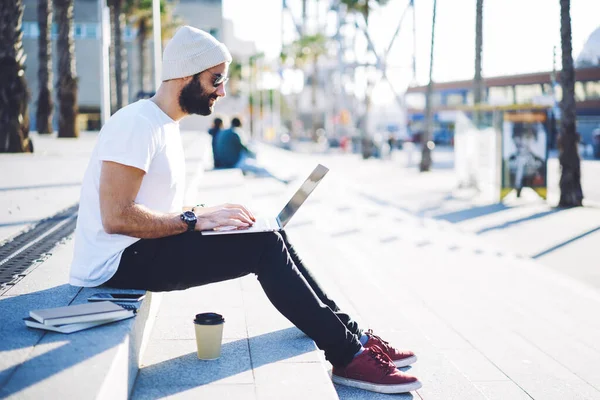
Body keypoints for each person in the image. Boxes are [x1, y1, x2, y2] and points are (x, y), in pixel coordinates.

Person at [69, 26, 421, 394]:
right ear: (185, 76)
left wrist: (208, 212)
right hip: (117, 262)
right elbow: (117, 217)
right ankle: (347, 356)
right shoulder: (136, 124)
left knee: (270, 232)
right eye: (215, 79)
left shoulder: (164, 125)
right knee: (263, 247)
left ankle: (352, 335)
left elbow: (155, 208)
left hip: (139, 248)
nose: (222, 91)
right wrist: (194, 221)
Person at [214, 117, 290, 184]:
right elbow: (245, 148)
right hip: (234, 162)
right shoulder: (236, 132)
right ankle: (282, 180)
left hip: (223, 162)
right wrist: (255, 154)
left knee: (253, 163)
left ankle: (251, 174)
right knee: (261, 168)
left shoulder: (223, 131)